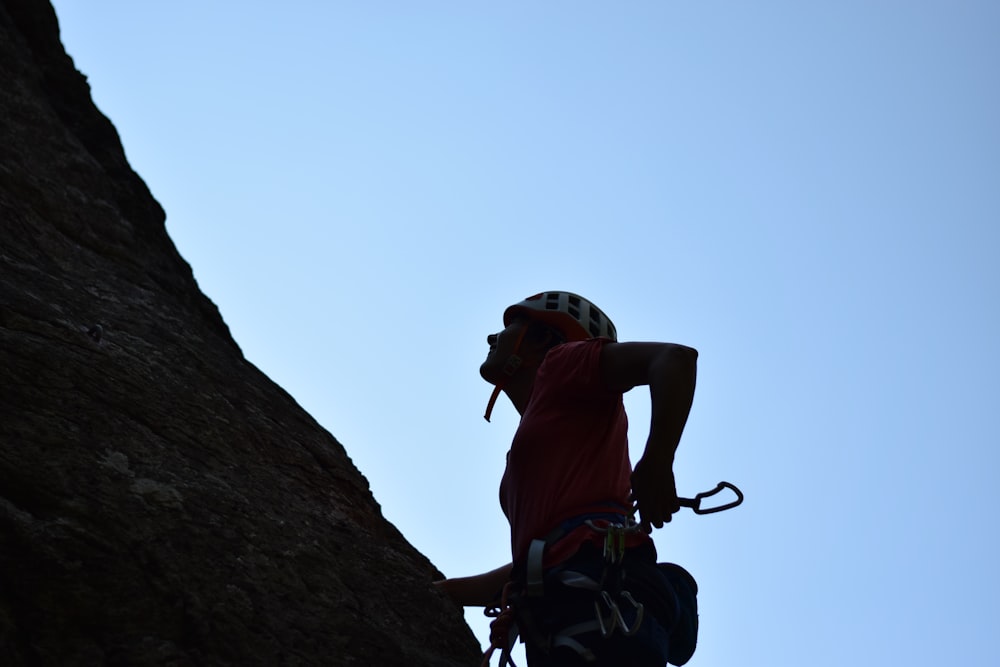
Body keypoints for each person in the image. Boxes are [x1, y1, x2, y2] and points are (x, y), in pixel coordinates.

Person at [435, 291, 699, 666]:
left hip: (589, 608)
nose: (493, 338)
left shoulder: (562, 363)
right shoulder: (525, 457)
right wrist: (437, 591)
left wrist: (657, 461)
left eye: (509, 327)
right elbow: (534, 565)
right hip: (565, 612)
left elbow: (675, 359)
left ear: (543, 338)